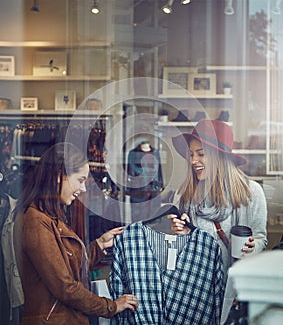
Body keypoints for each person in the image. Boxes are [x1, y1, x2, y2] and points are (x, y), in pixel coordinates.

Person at [13, 142, 138, 325]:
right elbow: (65, 287)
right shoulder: (35, 221)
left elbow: (66, 268)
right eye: (80, 180)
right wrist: (111, 306)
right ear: (59, 176)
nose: (83, 189)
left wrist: (99, 246)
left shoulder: (49, 217)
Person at [168, 119, 267, 278]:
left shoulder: (251, 192)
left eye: (201, 154)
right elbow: (178, 253)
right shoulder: (184, 195)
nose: (193, 161)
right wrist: (183, 234)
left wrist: (252, 247)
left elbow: (260, 238)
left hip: (237, 284)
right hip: (199, 285)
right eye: (191, 154)